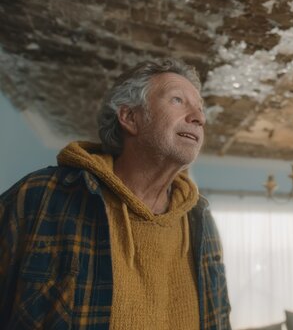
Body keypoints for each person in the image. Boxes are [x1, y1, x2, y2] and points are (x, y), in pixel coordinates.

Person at [0, 59, 231, 329]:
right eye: (178, 100)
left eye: (200, 109)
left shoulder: (201, 220)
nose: (199, 118)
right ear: (130, 117)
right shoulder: (40, 197)